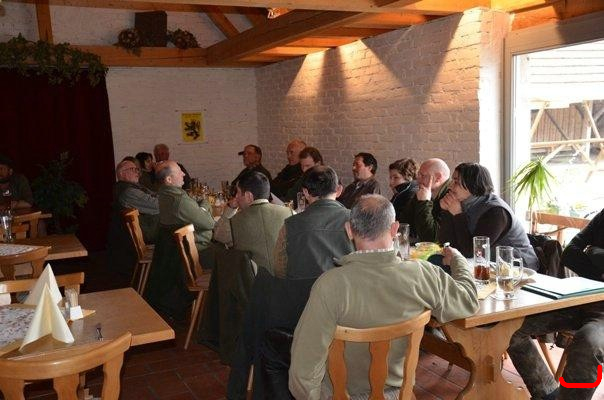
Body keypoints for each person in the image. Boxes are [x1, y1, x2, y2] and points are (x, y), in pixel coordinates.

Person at [289, 195, 479, 399]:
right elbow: (468, 301)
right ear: (395, 229)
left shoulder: (329, 285)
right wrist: (458, 261)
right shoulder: (424, 274)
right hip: (398, 394)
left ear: (349, 230)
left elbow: (302, 373)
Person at [226, 166, 354, 400]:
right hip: (345, 309)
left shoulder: (292, 224)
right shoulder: (355, 220)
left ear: (305, 192)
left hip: (301, 312)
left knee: (263, 300)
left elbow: (280, 268)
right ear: (338, 190)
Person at [507, 209, 604, 400]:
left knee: (589, 343)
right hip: (582, 298)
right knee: (510, 327)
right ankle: (547, 394)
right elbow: (570, 253)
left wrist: (594, 254)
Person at [144, 160, 215, 320]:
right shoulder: (179, 200)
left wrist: (199, 207)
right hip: (194, 253)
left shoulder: (164, 194)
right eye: (179, 172)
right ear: (169, 179)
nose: (184, 174)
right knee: (230, 259)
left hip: (176, 253)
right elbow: (209, 222)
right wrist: (205, 205)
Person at [437, 162, 539, 270]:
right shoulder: (462, 204)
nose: (450, 186)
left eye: (456, 182)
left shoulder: (496, 211)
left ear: (473, 184)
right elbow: (447, 244)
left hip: (519, 269)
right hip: (488, 266)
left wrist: (457, 214)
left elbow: (472, 252)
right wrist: (447, 211)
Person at [214, 171, 293, 274]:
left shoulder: (235, 221)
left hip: (253, 281)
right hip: (287, 278)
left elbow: (218, 236)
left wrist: (230, 208)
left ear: (248, 196)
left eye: (238, 192)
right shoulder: (290, 213)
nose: (236, 197)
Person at [398, 158, 451, 242]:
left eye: (423, 176)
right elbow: (403, 223)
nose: (418, 180)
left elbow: (431, 238)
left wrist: (424, 202)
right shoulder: (424, 191)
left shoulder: (450, 197)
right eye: (418, 175)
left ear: (438, 178)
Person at [114, 159, 159, 243]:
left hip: (149, 227)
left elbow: (155, 194)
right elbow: (158, 205)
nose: (137, 172)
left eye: (137, 169)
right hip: (147, 232)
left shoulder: (133, 187)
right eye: (132, 169)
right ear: (122, 173)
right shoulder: (128, 192)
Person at [389, 158, 418, 222]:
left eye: (396, 177)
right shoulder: (401, 193)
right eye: (390, 177)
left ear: (409, 177)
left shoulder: (410, 195)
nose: (390, 183)